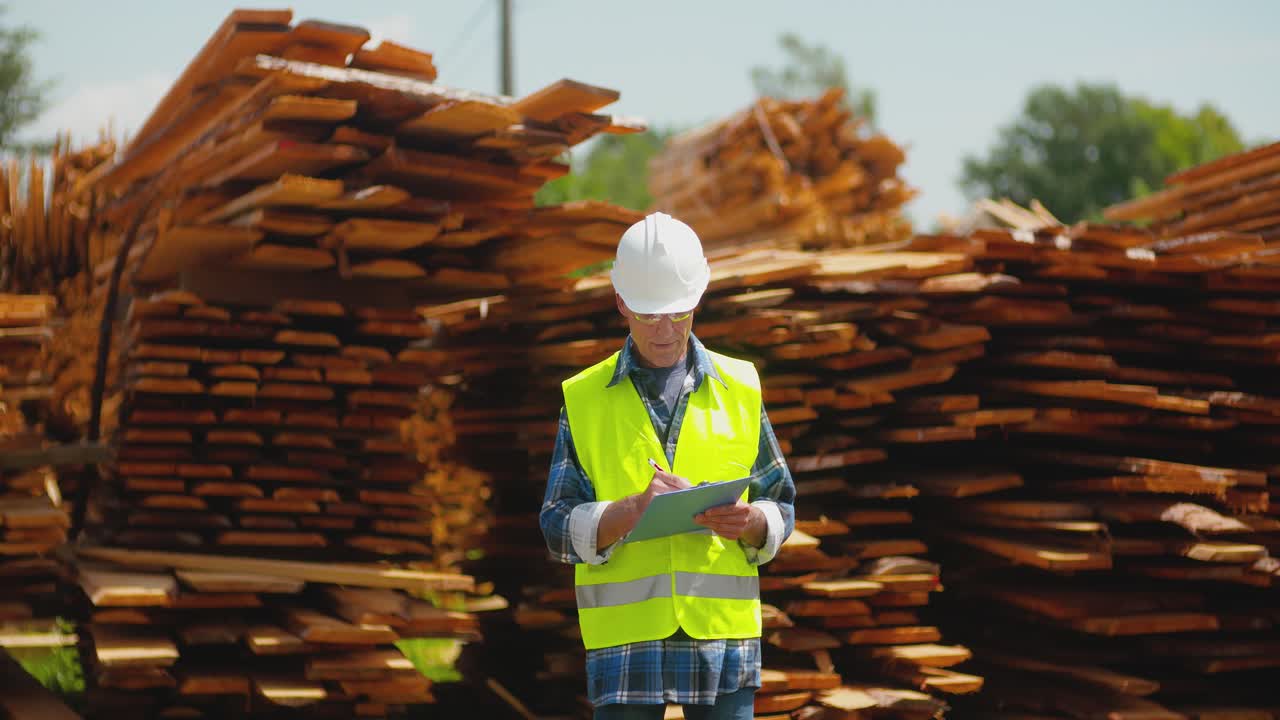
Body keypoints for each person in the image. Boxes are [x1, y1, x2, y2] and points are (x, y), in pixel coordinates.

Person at [540, 212, 796, 719]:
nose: (664, 330)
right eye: (649, 314)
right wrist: (632, 510)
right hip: (626, 642)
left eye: (678, 314)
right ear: (621, 303)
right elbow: (555, 526)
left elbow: (781, 503)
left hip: (722, 637)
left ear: (698, 300)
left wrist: (751, 523)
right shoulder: (585, 397)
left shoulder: (740, 387)